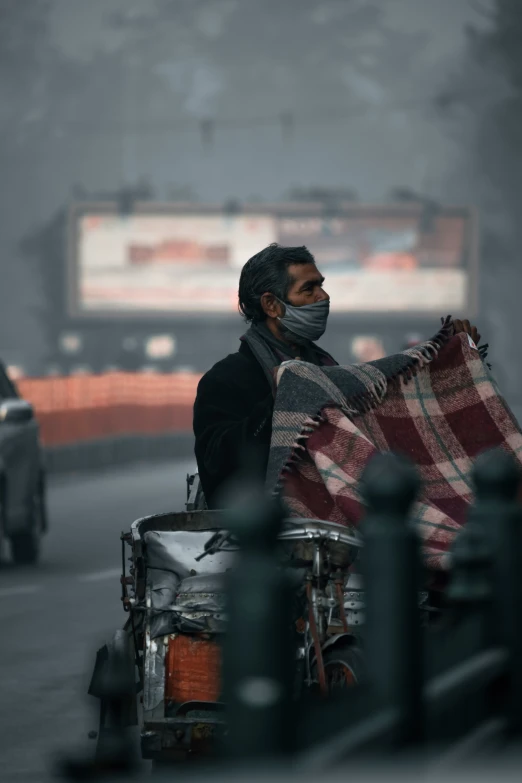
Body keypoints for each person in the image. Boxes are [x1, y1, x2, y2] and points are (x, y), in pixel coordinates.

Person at [193, 243, 481, 508]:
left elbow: (386, 421)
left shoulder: (328, 371)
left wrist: (448, 358)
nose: (324, 297)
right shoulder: (226, 380)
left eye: (321, 286)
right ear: (271, 305)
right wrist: (285, 401)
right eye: (309, 289)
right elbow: (219, 472)